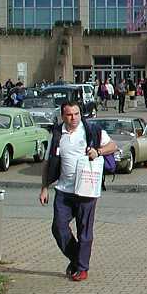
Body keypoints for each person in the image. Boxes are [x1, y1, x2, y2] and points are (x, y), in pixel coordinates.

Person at [39, 101, 117, 282]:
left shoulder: (92, 131)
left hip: (87, 189)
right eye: (69, 115)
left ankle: (82, 268)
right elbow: (48, 163)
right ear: (62, 116)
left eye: (76, 114)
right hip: (63, 190)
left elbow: (112, 146)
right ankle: (76, 259)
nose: (73, 118)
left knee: (84, 231)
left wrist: (98, 151)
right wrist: (44, 187)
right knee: (58, 227)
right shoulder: (57, 134)